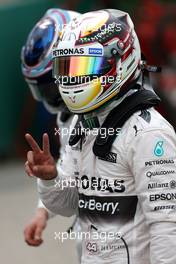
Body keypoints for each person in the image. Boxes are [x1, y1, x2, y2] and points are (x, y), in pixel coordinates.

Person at [25, 9, 176, 264]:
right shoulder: (80, 126)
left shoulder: (149, 134)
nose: (73, 77)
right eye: (67, 67)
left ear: (119, 60)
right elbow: (70, 205)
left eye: (83, 65)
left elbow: (167, 226)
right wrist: (51, 179)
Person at [22, 8, 82, 260]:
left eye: (52, 84)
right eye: (44, 88)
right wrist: (42, 211)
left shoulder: (124, 120)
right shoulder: (68, 116)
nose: (52, 95)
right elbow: (74, 176)